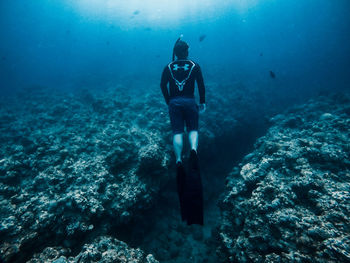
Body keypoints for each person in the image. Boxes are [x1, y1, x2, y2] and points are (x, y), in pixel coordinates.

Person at [160, 36, 205, 225]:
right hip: (189, 101)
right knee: (192, 129)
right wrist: (202, 102)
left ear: (175, 53)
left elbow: (163, 85)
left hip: (175, 103)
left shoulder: (168, 67)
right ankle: (193, 150)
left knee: (178, 133)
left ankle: (179, 160)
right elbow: (201, 85)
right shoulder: (195, 65)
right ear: (186, 51)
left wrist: (169, 100)